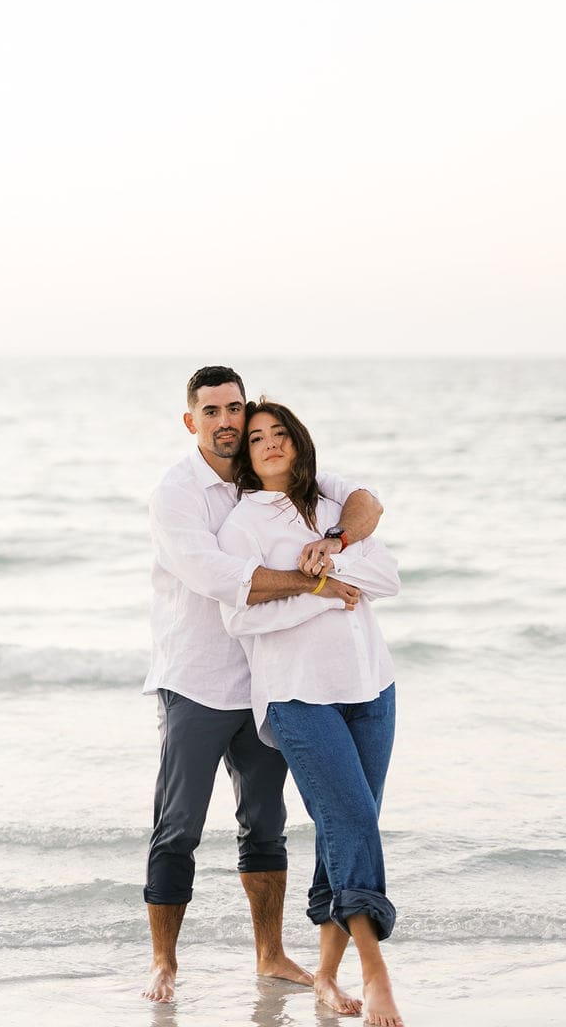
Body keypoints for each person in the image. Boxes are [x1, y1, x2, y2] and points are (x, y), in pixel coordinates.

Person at [141, 365, 383, 1003]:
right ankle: (164, 962)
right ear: (191, 420)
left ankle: (271, 954)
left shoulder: (269, 479)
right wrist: (318, 581)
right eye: (212, 411)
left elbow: (366, 499)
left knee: (265, 824)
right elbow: (222, 578)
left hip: (263, 680)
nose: (226, 422)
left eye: (235, 411)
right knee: (179, 825)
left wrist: (333, 541)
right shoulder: (177, 493)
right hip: (194, 679)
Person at [217, 398, 404, 1027]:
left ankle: (325, 973)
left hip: (371, 687)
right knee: (352, 818)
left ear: (298, 443)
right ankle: (375, 971)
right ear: (244, 455)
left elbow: (386, 577)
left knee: (347, 825)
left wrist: (331, 557)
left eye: (280, 434)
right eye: (257, 438)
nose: (269, 443)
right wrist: (323, 592)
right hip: (298, 695)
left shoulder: (332, 510)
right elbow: (241, 613)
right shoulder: (243, 523)